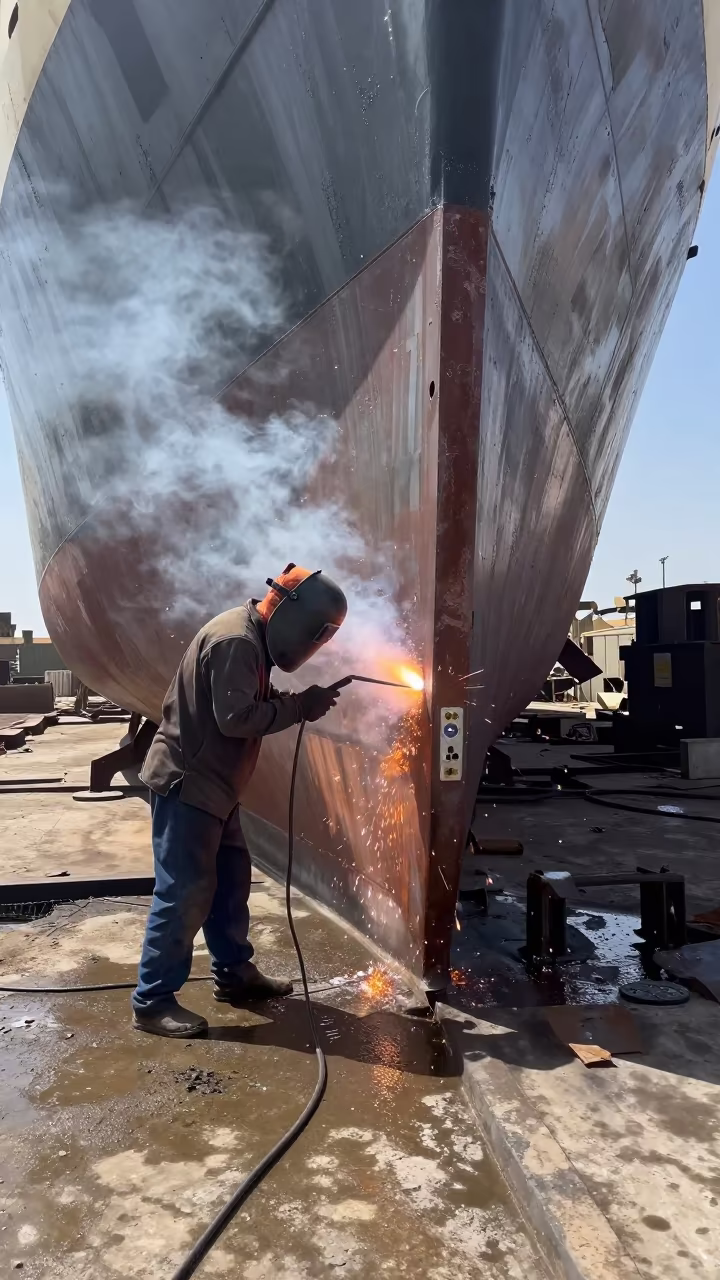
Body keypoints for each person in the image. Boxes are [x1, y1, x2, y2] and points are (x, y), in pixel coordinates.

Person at [132, 565, 347, 1037]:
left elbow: (242, 701)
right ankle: (152, 1000)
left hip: (218, 789)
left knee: (230, 884)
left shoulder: (250, 638)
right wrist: (297, 708)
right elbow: (235, 718)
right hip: (189, 786)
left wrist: (297, 701)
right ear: (290, 613)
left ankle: (234, 973)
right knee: (185, 893)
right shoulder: (238, 641)